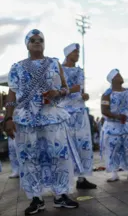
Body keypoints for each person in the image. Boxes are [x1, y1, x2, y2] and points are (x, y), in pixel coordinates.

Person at [5, 29, 79, 215]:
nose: (37, 42)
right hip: (26, 119)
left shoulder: (54, 63)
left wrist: (58, 93)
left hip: (51, 116)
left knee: (58, 155)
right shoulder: (17, 67)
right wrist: (8, 117)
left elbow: (65, 88)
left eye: (40, 39)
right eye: (32, 40)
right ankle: (36, 198)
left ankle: (61, 195)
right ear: (27, 44)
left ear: (44, 43)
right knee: (29, 158)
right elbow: (12, 94)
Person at [61, 43, 96, 189]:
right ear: (68, 53)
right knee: (67, 144)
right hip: (64, 111)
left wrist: (84, 96)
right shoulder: (59, 70)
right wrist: (70, 90)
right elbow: (56, 90)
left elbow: (81, 91)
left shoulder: (80, 71)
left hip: (80, 111)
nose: (77, 54)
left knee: (83, 143)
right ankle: (65, 179)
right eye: (75, 52)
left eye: (78, 52)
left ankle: (81, 179)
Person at [101, 69, 128, 182]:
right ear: (112, 79)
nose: (121, 76)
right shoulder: (107, 94)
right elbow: (104, 110)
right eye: (118, 75)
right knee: (113, 149)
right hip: (113, 127)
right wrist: (118, 116)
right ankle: (113, 173)